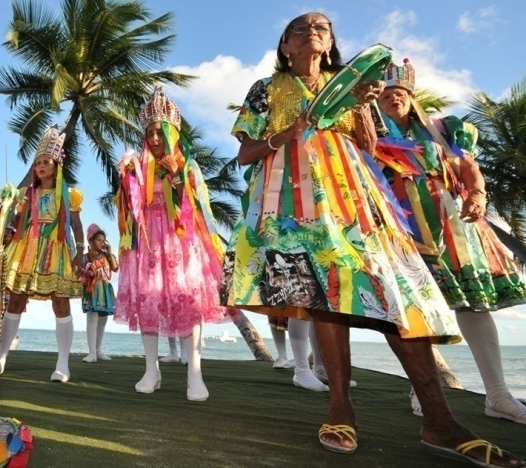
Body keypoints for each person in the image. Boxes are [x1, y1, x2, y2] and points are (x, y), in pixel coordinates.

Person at [220, 13, 524, 466]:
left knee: (399, 292)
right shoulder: (266, 88)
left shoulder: (351, 88)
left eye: (321, 27)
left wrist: (363, 106)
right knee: (324, 296)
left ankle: (439, 421)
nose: (312, 31)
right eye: (300, 28)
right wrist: (288, 133)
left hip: (356, 199)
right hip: (291, 207)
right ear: (285, 46)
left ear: (330, 43)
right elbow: (246, 153)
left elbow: (367, 148)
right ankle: (340, 410)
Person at [376, 59, 526, 424]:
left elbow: (467, 167)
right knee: (416, 307)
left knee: (475, 306)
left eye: (400, 92)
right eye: (386, 94)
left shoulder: (443, 130)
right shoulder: (367, 137)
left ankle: (498, 395)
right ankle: (423, 391)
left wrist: (477, 194)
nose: (394, 98)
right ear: (376, 101)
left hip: (453, 225)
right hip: (402, 228)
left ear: (411, 96)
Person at [115, 87, 229, 402]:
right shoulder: (139, 166)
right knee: (148, 301)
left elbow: (194, 205)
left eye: (159, 132)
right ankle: (151, 369)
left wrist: (176, 173)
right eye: (149, 132)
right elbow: (131, 208)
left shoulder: (187, 164)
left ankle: (195, 373)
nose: (154, 138)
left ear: (172, 133)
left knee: (188, 302)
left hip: (181, 240)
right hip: (148, 243)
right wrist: (126, 179)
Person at [0, 125, 85, 382]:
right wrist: (8, 230)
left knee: (60, 302)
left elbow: (76, 225)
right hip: (27, 248)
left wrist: (80, 250)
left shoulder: (70, 194)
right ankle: (1, 356)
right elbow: (17, 220)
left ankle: (62, 364)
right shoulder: (27, 194)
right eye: (38, 163)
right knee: (15, 300)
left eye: (46, 162)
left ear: (57, 165)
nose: (42, 166)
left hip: (57, 248)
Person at [80, 224, 118, 363]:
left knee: (103, 319)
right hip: (92, 288)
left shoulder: (108, 256)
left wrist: (110, 252)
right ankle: (91, 353)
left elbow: (115, 268)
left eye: (103, 241)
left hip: (105, 287)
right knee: (91, 317)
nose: (101, 243)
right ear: (91, 241)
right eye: (98, 240)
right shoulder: (85, 257)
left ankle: (98, 350)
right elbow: (80, 272)